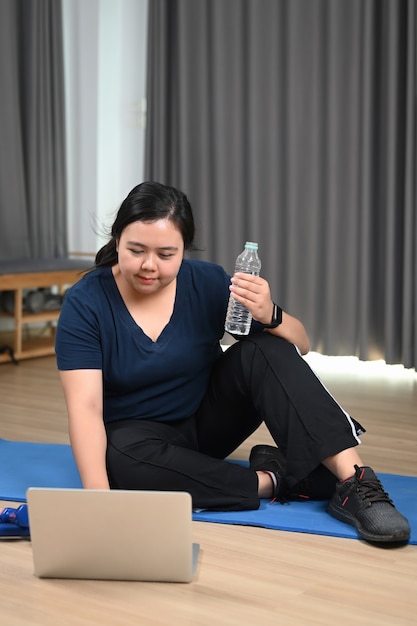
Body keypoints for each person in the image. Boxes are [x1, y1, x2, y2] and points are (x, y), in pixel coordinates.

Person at [55, 181, 410, 544]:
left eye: (166, 254)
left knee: (265, 348)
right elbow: (85, 407)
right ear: (117, 241)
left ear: (183, 250)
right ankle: (279, 480)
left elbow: (300, 345)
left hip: (208, 422)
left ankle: (356, 483)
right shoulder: (87, 302)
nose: (149, 266)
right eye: (136, 250)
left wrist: (271, 313)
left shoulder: (207, 282)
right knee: (117, 461)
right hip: (140, 439)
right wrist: (97, 504)